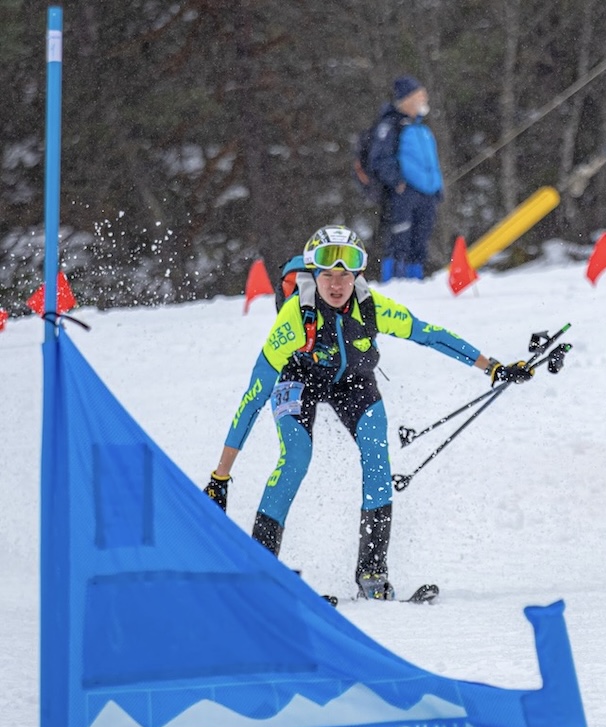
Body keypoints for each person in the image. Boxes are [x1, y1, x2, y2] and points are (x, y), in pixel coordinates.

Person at [202, 226, 532, 599]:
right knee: (296, 457)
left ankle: (372, 573)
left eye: (346, 275)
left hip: (353, 383)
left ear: (358, 275)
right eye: (328, 274)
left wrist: (493, 367)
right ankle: (260, 568)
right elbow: (255, 394)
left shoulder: (372, 306)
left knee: (377, 456)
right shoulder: (296, 317)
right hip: (298, 381)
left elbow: (429, 333)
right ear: (313, 274)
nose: (337, 284)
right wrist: (220, 476)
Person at [366, 75, 443, 282]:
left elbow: (432, 162)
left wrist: (437, 189)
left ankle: (415, 279)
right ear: (407, 98)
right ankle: (394, 280)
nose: (425, 98)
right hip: (404, 194)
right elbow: (380, 159)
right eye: (420, 94)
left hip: (427, 194)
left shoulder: (422, 128)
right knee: (399, 239)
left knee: (421, 240)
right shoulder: (391, 126)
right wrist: (397, 182)